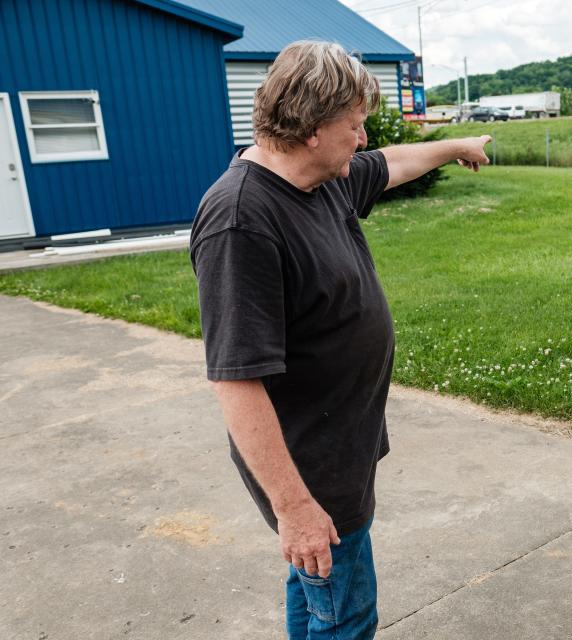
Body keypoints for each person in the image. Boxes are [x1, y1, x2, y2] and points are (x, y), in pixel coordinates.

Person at [189, 40, 491, 640]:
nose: (361, 139)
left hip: (339, 446)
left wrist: (457, 145)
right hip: (308, 466)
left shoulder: (322, 178)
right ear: (311, 129)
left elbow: (395, 163)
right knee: (347, 616)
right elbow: (236, 380)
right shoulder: (242, 221)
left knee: (317, 591)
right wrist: (295, 508)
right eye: (353, 126)